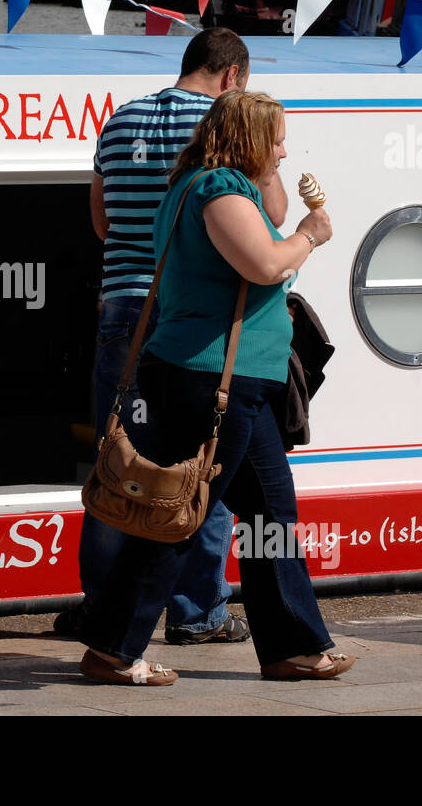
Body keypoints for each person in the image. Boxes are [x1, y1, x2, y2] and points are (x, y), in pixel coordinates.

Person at [78, 90, 353, 686]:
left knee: (269, 512)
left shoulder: (213, 186)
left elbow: (264, 233)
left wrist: (278, 190)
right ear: (250, 139)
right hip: (209, 380)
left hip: (233, 383)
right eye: (276, 138)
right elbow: (266, 263)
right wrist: (310, 233)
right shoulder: (219, 190)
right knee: (180, 512)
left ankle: (292, 647)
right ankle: (113, 650)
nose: (284, 148)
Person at [57, 29, 254, 647]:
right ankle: (198, 612)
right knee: (203, 461)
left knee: (118, 461)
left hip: (121, 308)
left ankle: (103, 610)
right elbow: (251, 224)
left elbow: (99, 220)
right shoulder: (227, 124)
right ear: (231, 77)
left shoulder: (118, 120)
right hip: (190, 315)